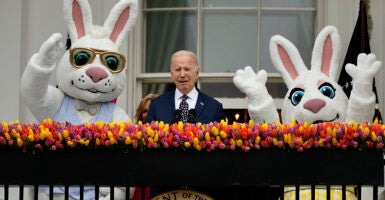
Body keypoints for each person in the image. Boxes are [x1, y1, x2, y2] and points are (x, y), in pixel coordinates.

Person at [145, 50, 225, 124]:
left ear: (197, 73)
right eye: (177, 70)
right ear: (171, 74)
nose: (182, 74)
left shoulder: (214, 107)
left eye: (187, 69)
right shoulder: (156, 105)